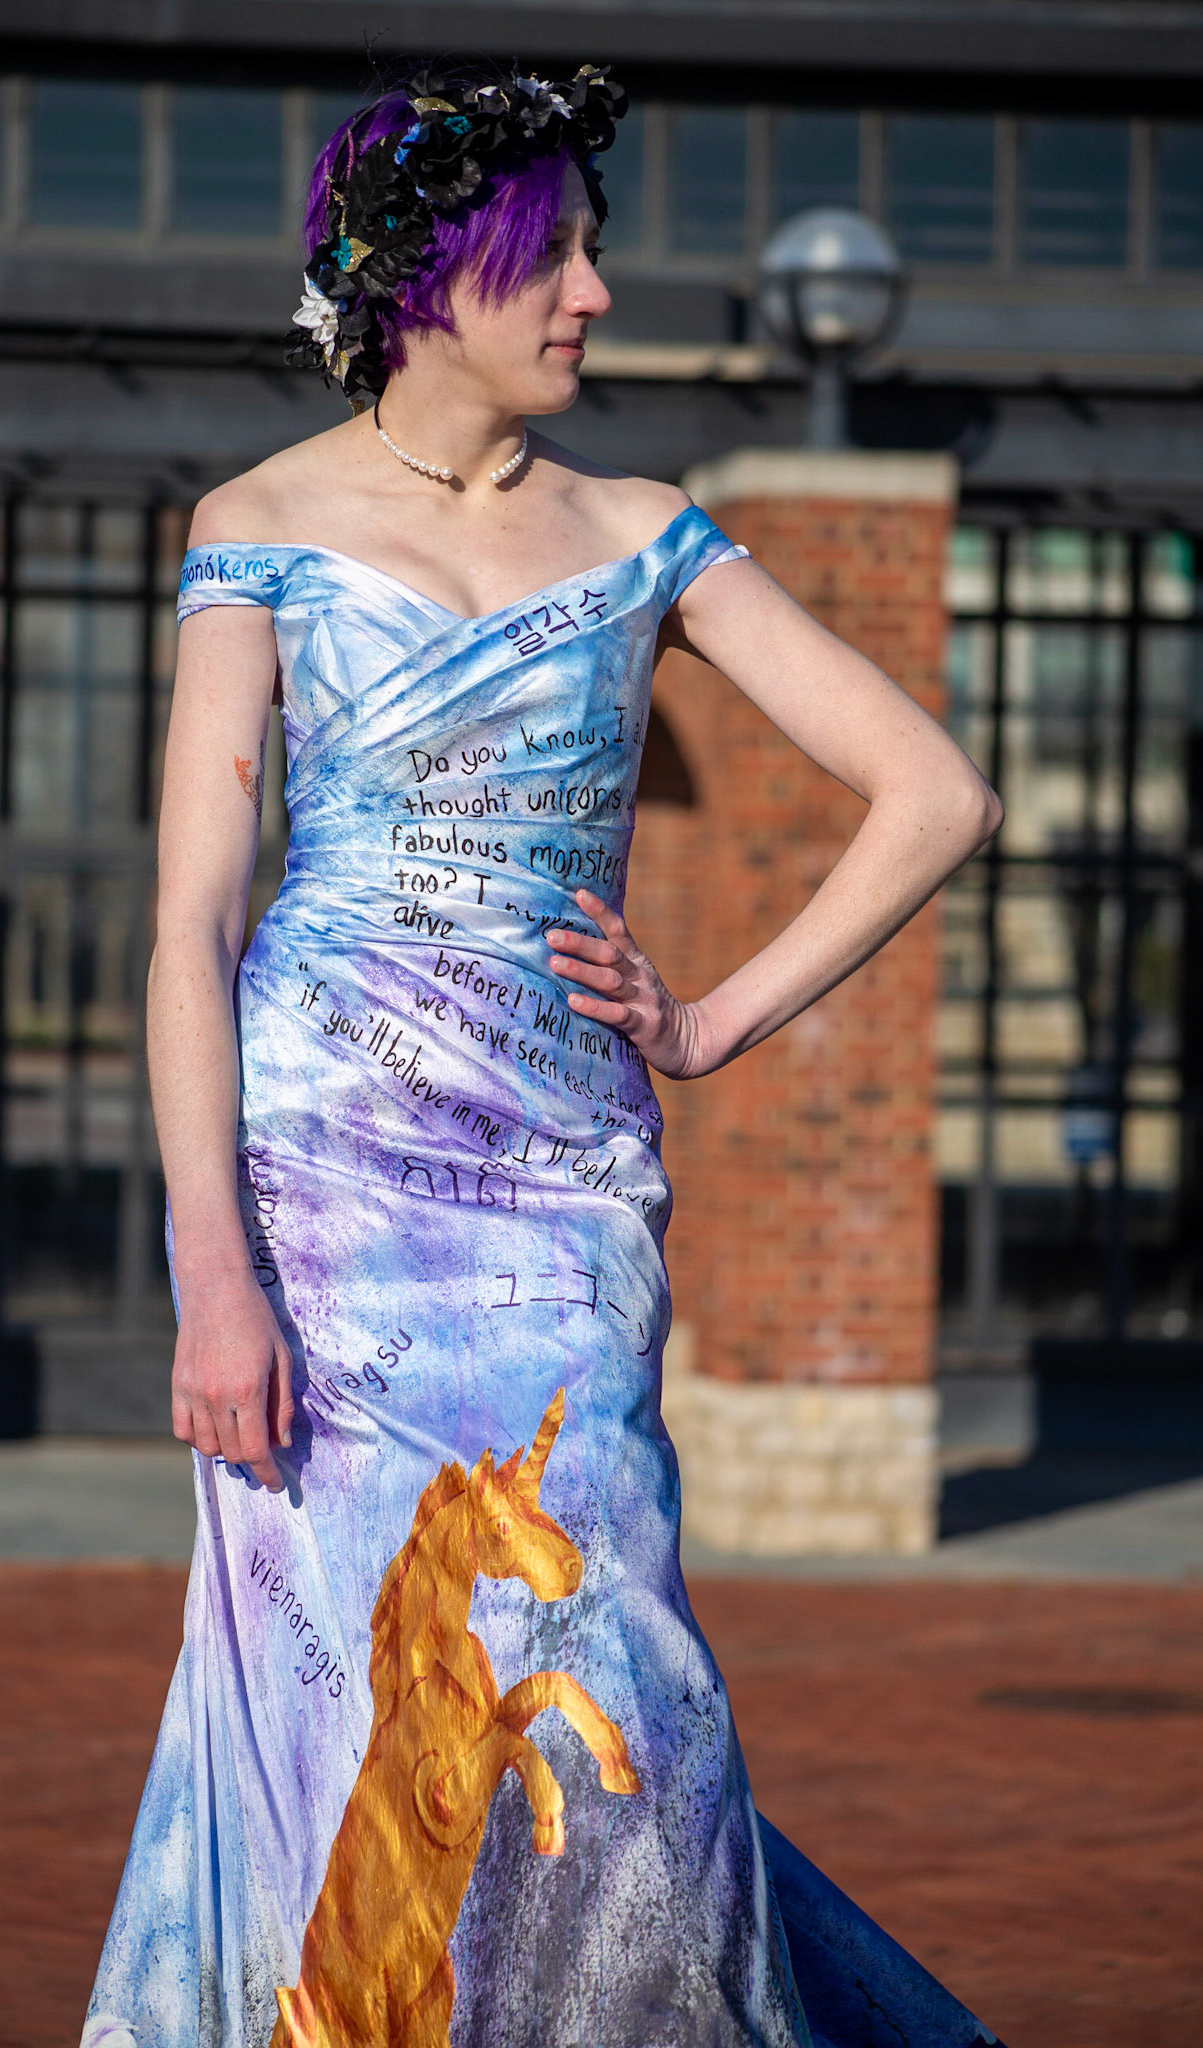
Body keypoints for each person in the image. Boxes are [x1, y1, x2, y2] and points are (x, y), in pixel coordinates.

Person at [83, 60, 1006, 2048]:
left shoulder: (644, 534)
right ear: (429, 280)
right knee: (343, 1698)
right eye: (558, 255)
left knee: (623, 1698)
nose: (595, 292)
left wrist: (710, 1020)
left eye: (592, 250)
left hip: (563, 1200)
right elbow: (188, 928)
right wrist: (214, 1278)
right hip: (318, 1215)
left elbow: (934, 792)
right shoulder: (255, 529)